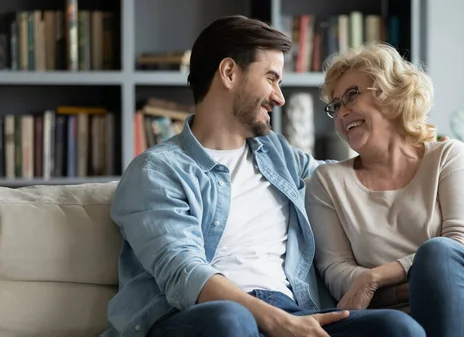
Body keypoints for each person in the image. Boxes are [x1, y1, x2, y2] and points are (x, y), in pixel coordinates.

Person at [101, 15, 433, 337]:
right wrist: (274, 321)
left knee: (396, 328)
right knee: (231, 320)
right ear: (229, 72)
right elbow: (185, 274)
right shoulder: (158, 170)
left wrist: (425, 157)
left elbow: (348, 177)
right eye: (271, 78)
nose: (279, 97)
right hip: (194, 317)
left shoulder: (277, 153)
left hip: (291, 310)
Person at [305, 41, 464, 337]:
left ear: (393, 93)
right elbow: (338, 274)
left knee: (440, 253)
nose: (342, 112)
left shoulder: (448, 156)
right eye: (336, 105)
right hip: (422, 319)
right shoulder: (327, 182)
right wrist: (420, 287)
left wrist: (376, 277)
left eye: (352, 95)